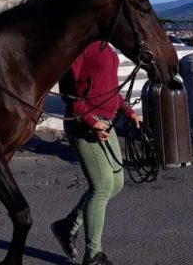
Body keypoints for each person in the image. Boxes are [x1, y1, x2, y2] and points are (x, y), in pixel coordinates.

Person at [52, 43, 142, 265]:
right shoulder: (80, 46)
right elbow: (70, 93)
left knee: (117, 183)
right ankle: (93, 255)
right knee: (101, 187)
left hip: (106, 123)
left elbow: (110, 89)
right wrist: (91, 120)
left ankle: (67, 226)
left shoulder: (108, 48)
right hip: (84, 125)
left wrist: (128, 111)